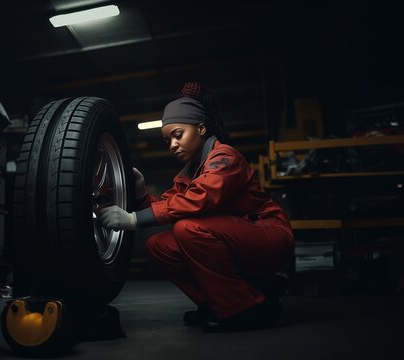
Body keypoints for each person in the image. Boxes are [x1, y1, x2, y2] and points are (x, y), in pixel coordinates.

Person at [98, 82, 295, 332]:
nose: (172, 145)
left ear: (201, 128)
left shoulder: (224, 158)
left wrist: (134, 220)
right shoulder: (189, 173)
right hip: (236, 240)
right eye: (167, 139)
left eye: (178, 134)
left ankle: (247, 308)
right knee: (159, 246)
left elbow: (198, 199)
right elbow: (167, 206)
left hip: (269, 236)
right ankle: (215, 304)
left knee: (188, 229)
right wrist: (139, 190)